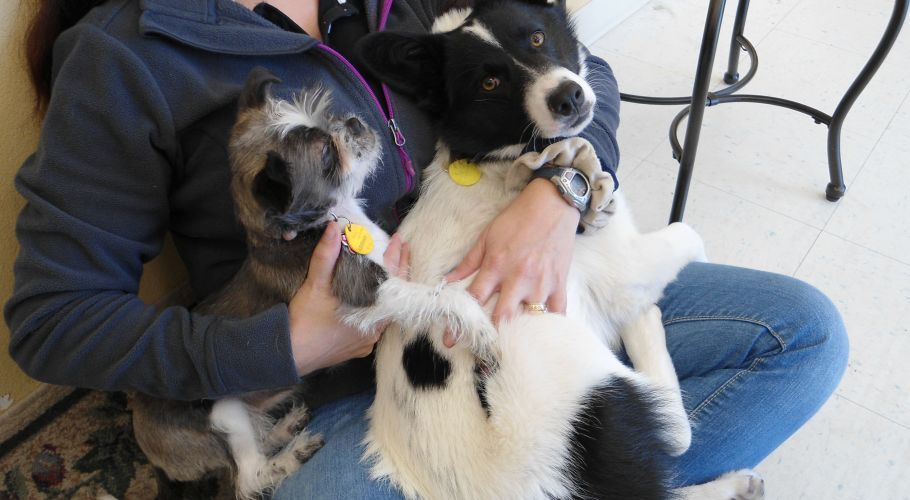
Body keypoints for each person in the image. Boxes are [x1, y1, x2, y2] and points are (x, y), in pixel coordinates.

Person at [6, 0, 848, 497]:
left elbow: (572, 63)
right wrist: (285, 343)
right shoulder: (127, 56)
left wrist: (563, 195)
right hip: (352, 397)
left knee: (804, 338)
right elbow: (52, 322)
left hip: (528, 287)